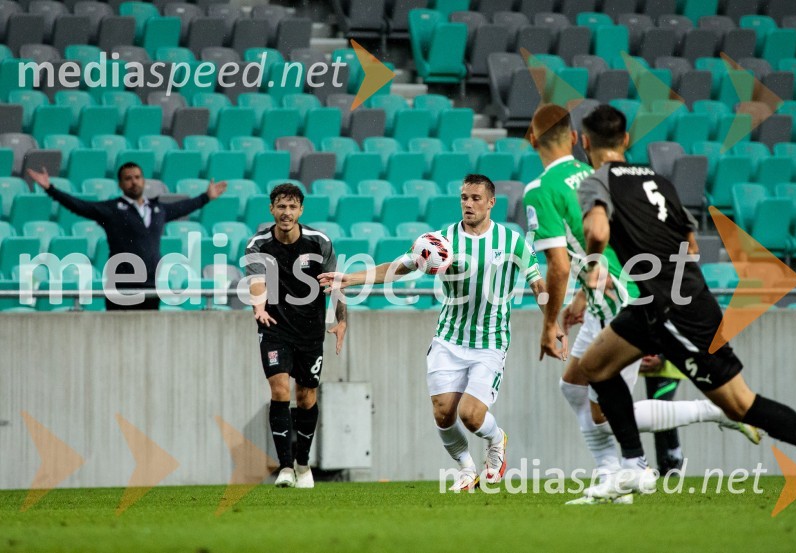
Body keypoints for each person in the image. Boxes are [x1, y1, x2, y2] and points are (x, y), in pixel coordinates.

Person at [574, 105, 796, 500]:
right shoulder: (661, 181)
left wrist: (594, 262)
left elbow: (597, 229)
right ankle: (635, 468)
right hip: (659, 302)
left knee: (741, 404)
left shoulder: (596, 182)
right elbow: (691, 245)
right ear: (625, 140)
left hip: (676, 310)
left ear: (585, 142)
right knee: (594, 366)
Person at [525, 105, 760, 504]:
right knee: (571, 386)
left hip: (622, 301)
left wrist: (549, 325)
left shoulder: (541, 189)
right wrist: (586, 294)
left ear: (532, 140)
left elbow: (559, 265)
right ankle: (612, 474)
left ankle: (706, 420)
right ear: (572, 139)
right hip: (623, 291)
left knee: (603, 410)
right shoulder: (600, 177)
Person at [318, 174, 557, 492]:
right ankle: (466, 469)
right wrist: (350, 279)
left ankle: (497, 440)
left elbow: (538, 285)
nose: (468, 204)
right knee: (444, 413)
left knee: (471, 415)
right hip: (449, 338)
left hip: (491, 340)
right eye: (463, 197)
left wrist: (553, 324)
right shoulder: (439, 242)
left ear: (490, 203)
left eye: (475, 198)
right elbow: (397, 267)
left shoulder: (512, 242)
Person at [244, 183, 347, 489]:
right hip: (274, 326)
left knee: (306, 397)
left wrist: (341, 321)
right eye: (281, 206)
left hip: (310, 331)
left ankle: (303, 463)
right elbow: (257, 282)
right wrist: (259, 308)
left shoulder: (319, 242)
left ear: (301, 210)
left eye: (292, 207)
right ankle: (285, 467)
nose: (286, 213)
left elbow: (336, 284)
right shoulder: (258, 245)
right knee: (279, 391)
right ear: (271, 209)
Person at [27, 163, 227, 310]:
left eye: (137, 177)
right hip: (121, 285)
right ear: (120, 184)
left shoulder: (158, 209)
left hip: (151, 285)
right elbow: (81, 206)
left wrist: (206, 197)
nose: (134, 182)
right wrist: (50, 189)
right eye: (128, 178)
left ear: (144, 181)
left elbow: (183, 207)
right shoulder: (112, 209)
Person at [640, 355, 686, 475]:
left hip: (671, 368)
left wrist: (661, 358)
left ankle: (675, 453)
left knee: (660, 408)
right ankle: (663, 463)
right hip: (650, 369)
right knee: (655, 416)